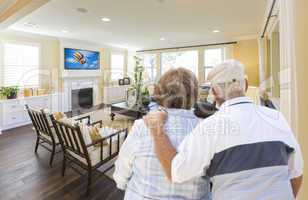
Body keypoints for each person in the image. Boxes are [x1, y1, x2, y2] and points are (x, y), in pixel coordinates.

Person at [144, 60, 303, 200]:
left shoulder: (209, 127)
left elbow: (175, 172)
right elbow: (296, 175)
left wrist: (157, 130)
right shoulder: (277, 117)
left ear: (214, 92)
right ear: (245, 85)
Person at [113, 68, 211, 200]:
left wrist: (123, 185)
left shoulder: (142, 126)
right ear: (194, 94)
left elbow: (122, 170)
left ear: (160, 93)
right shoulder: (208, 130)